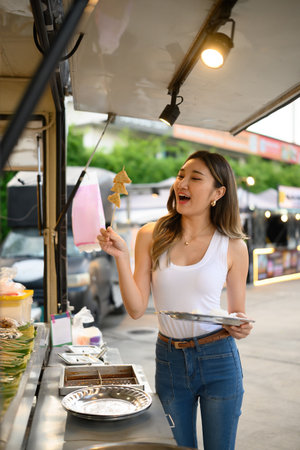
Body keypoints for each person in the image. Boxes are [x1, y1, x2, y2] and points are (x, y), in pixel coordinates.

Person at [97, 150, 253, 450]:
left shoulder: (233, 246)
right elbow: (136, 308)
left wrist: (241, 326)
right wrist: (120, 256)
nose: (182, 183)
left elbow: (237, 314)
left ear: (217, 193)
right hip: (169, 359)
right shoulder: (150, 235)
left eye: (195, 178)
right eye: (181, 175)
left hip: (218, 357)